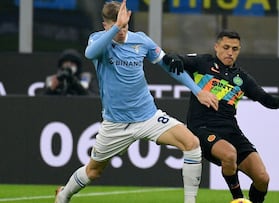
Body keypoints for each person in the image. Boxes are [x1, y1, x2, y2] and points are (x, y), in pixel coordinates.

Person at [54, 1, 218, 203]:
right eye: (116, 27)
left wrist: (198, 91)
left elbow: (169, 66)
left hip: (148, 117)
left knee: (191, 143)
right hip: (115, 124)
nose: (122, 32)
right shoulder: (98, 41)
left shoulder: (141, 41)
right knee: (93, 171)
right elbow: (89, 54)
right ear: (106, 25)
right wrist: (116, 27)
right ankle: (64, 195)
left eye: (125, 26)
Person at [171, 30, 279, 203]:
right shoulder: (204, 63)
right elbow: (176, 58)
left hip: (231, 131)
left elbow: (264, 98)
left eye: (235, 49)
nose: (230, 52)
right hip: (202, 128)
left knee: (262, 178)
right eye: (226, 47)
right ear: (216, 47)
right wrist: (176, 59)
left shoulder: (241, 78)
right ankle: (238, 199)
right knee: (229, 155)